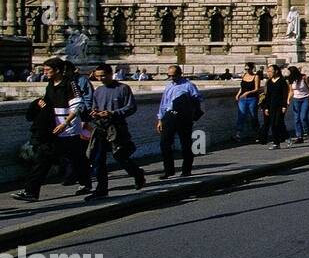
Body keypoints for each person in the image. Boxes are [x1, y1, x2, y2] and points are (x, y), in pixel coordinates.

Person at [12, 58, 91, 202]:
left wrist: (65, 124)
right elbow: (48, 102)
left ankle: (86, 183)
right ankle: (31, 192)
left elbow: (78, 106)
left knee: (77, 158)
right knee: (43, 159)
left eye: (48, 70)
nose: (45, 73)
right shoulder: (50, 84)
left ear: (58, 70)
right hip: (53, 129)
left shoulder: (70, 84)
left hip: (68, 130)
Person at [83, 63, 146, 200]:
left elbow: (131, 107)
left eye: (103, 76)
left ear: (111, 74)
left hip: (117, 128)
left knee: (120, 156)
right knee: (98, 159)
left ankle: (137, 174)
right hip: (100, 128)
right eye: (98, 76)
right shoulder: (98, 91)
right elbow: (94, 107)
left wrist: (113, 113)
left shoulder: (123, 88)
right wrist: (95, 113)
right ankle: (102, 188)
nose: (101, 79)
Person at [156, 65, 203, 179]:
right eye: (169, 75)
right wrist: (160, 119)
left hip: (183, 117)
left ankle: (186, 170)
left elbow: (198, 101)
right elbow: (163, 103)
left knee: (185, 143)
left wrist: (192, 114)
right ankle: (168, 170)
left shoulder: (188, 86)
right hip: (169, 115)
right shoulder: (168, 87)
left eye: (173, 75)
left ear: (180, 74)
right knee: (165, 143)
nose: (171, 78)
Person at [260, 64, 289, 149]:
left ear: (276, 71)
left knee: (277, 123)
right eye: (268, 71)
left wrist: (284, 105)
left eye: (270, 71)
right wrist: (266, 107)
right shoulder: (269, 82)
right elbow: (267, 96)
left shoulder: (282, 81)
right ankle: (277, 143)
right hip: (271, 105)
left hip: (280, 106)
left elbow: (285, 94)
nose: (268, 73)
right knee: (273, 124)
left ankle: (283, 137)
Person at [234, 62, 262, 144]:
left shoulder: (256, 77)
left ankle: (257, 134)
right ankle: (238, 134)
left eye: (248, 69)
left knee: (253, 116)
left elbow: (257, 89)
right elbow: (242, 87)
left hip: (252, 98)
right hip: (242, 99)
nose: (247, 70)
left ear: (252, 68)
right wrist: (238, 94)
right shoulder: (244, 76)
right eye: (245, 69)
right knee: (241, 115)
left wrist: (248, 92)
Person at [287, 66, 309, 143]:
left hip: (306, 98)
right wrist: (288, 100)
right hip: (296, 99)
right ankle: (299, 136)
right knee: (296, 119)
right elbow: (291, 91)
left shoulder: (304, 78)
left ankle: (308, 133)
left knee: (303, 117)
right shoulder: (290, 80)